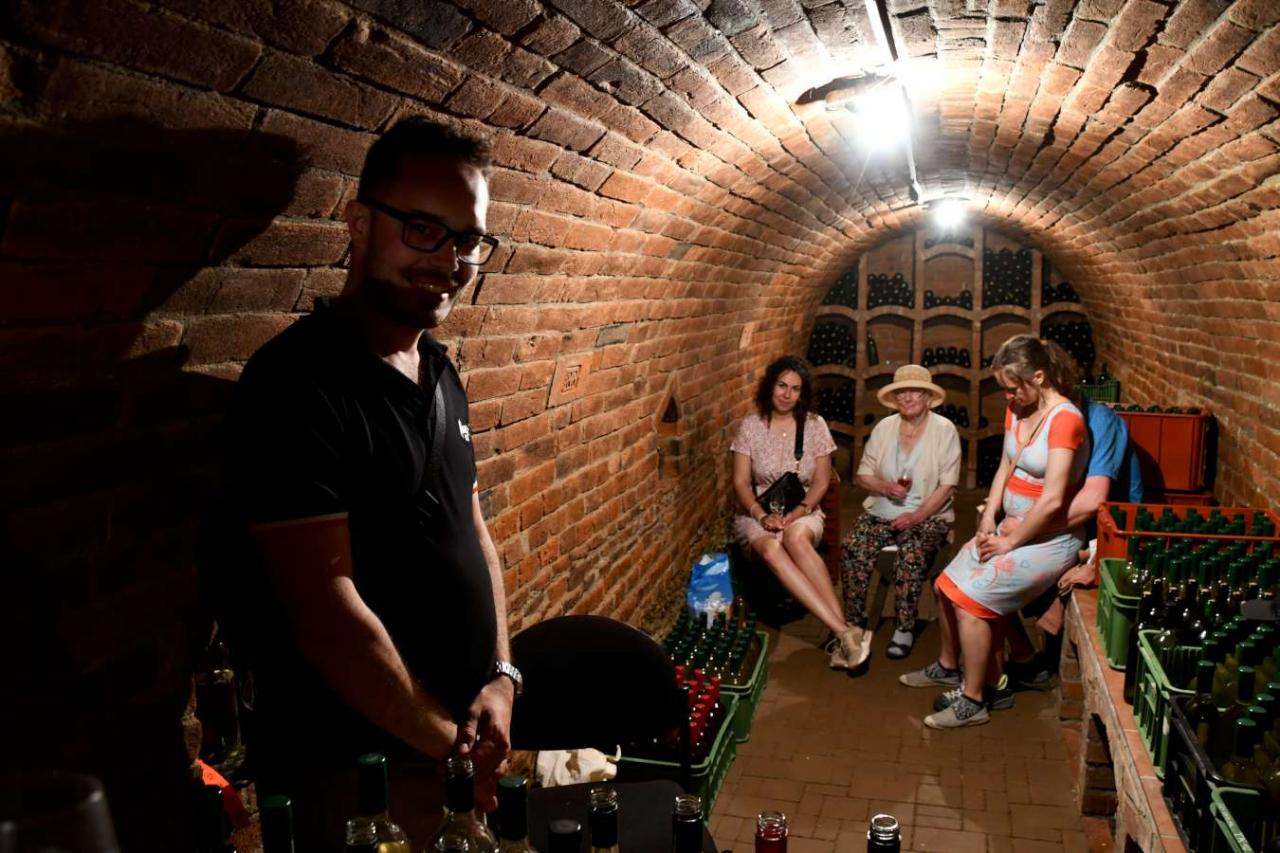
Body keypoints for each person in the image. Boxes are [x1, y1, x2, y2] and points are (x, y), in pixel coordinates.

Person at [202, 118, 516, 849]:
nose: (451, 260)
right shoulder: (297, 384)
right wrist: (448, 745)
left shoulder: (440, 371)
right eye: (423, 230)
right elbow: (326, 615)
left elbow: (472, 529)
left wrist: (502, 674)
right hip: (358, 768)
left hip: (449, 748)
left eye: (469, 240)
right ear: (360, 223)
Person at [900, 335, 1090, 729]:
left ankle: (975, 699)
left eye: (1012, 386)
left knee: (971, 601)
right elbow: (1006, 464)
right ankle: (952, 668)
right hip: (1009, 528)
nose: (1008, 396)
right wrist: (990, 514)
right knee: (944, 586)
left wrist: (1010, 542)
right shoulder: (1019, 408)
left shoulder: (1065, 420)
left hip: (1049, 540)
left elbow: (1053, 499)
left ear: (1039, 377)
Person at [1003, 394, 1145, 687]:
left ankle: (1017, 670)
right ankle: (1023, 659)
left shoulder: (1099, 421)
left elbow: (1094, 502)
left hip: (1106, 529)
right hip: (1067, 523)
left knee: (991, 574)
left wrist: (1026, 530)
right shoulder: (1041, 413)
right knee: (985, 560)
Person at [731, 356, 853, 667]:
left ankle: (839, 632)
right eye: (782, 385)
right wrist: (761, 516)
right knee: (772, 549)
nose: (787, 394)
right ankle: (844, 631)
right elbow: (741, 482)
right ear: (770, 386)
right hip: (757, 513)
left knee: (796, 538)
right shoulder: (751, 426)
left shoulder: (814, 425)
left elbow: (822, 481)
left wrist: (798, 512)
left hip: (804, 509)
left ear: (802, 393)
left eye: (795, 389)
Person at [839, 364, 961, 664]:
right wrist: (884, 487)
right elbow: (863, 475)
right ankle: (854, 622)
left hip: (928, 514)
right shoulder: (884, 428)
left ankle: (904, 627)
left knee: (911, 551)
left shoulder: (944, 430)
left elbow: (947, 485)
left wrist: (916, 516)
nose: (907, 397)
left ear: (928, 397)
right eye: (901, 392)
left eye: (915, 391)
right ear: (894, 398)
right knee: (853, 547)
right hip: (882, 510)